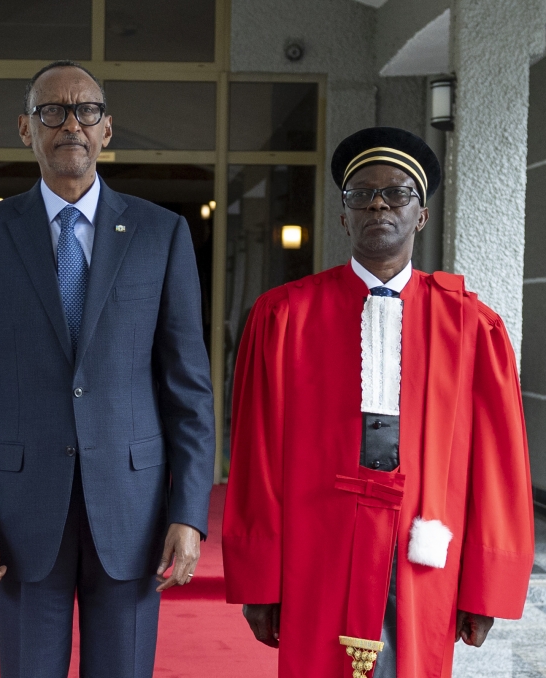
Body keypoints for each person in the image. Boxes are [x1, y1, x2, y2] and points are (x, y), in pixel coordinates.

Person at [0, 60, 215, 678]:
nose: (71, 125)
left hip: (133, 513)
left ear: (106, 129)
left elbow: (189, 391)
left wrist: (189, 514)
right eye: (51, 111)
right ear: (25, 129)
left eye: (86, 111)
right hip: (21, 515)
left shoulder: (161, 234)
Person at [222, 127, 535, 678]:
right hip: (317, 537)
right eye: (361, 194)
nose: (378, 205)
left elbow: (497, 463)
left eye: (397, 194)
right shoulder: (283, 317)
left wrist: (486, 583)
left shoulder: (471, 325)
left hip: (424, 537)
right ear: (343, 216)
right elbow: (257, 455)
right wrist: (259, 578)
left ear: (422, 216)